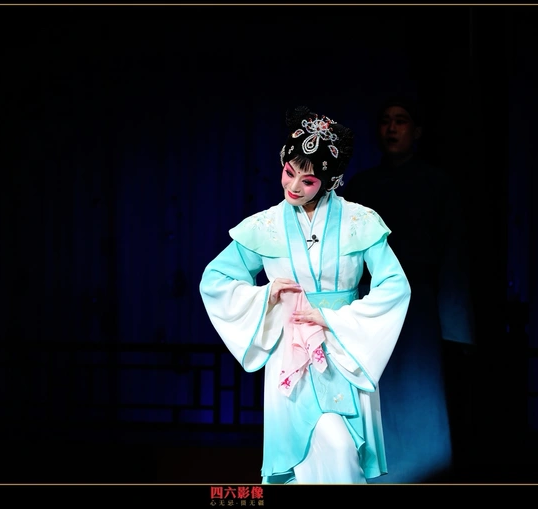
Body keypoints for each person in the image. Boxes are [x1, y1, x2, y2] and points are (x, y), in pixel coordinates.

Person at [199, 106, 411, 484]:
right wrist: (265, 296)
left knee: (342, 449)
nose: (294, 186)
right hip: (291, 355)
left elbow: (394, 285)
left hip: (342, 349)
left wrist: (335, 318)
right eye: (289, 172)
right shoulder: (265, 226)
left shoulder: (359, 221)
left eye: (308, 180)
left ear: (329, 181)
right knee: (308, 456)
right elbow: (215, 280)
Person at [342, 95, 476, 483]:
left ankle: (424, 472)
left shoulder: (437, 184)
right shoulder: (362, 185)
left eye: (400, 120)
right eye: (385, 120)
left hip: (418, 306)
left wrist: (456, 326)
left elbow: (453, 256)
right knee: (375, 393)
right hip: (371, 304)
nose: (392, 128)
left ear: (416, 131)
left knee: (419, 391)